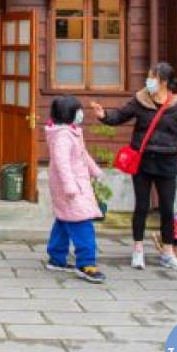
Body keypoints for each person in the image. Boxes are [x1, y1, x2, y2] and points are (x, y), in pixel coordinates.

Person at [91, 62, 177, 272]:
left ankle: (168, 253)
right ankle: (138, 250)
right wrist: (103, 115)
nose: (148, 81)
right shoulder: (140, 101)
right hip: (143, 160)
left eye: (153, 78)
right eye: (149, 77)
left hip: (168, 161)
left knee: (168, 209)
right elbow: (119, 116)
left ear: (164, 82)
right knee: (141, 206)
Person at [44, 96, 106, 283]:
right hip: (71, 187)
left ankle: (56, 258)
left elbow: (82, 154)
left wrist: (94, 170)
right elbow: (62, 163)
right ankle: (86, 264)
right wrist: (70, 186)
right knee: (82, 223)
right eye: (78, 110)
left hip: (74, 185)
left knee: (64, 220)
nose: (82, 113)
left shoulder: (72, 133)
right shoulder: (63, 136)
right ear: (68, 113)